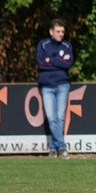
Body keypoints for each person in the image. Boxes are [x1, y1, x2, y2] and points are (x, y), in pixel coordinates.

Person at [36, 18, 74, 158]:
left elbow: (68, 63)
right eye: (58, 31)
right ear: (51, 32)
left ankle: (53, 148)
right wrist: (59, 61)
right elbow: (41, 63)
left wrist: (50, 60)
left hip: (63, 84)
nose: (61, 34)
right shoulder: (43, 45)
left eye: (62, 31)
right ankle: (62, 147)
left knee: (60, 117)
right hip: (47, 85)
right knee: (52, 118)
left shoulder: (67, 46)